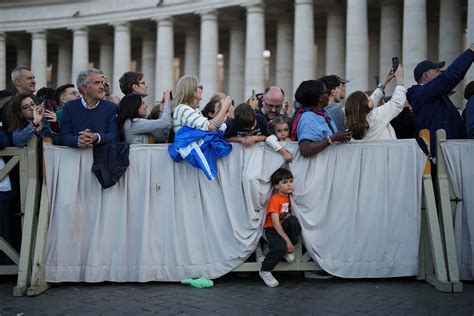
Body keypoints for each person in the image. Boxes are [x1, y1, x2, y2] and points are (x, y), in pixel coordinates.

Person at [407, 43, 474, 158]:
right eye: (437, 71)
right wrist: (470, 53)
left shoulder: (435, 94)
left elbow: (451, 78)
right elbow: (449, 77)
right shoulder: (417, 92)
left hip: (453, 153)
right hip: (440, 157)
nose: (441, 73)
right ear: (425, 76)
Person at [259, 168, 301, 287]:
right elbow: (276, 223)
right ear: (276, 186)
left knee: (293, 221)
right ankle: (265, 270)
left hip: (283, 226)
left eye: (291, 181)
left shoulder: (291, 198)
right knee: (279, 248)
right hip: (272, 228)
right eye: (284, 182)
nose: (289, 184)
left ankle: (288, 248)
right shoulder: (275, 199)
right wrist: (287, 241)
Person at [60, 68, 119, 148]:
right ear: (84, 88)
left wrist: (96, 137)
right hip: (77, 158)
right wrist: (79, 140)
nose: (102, 87)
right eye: (97, 83)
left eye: (102, 83)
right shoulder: (69, 107)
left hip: (104, 158)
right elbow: (64, 136)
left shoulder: (111, 107)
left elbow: (114, 136)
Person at [345, 65, 406, 140]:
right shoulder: (377, 116)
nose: (370, 97)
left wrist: (385, 82)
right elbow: (397, 102)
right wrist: (400, 81)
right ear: (365, 104)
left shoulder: (353, 126)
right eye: (367, 96)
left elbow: (374, 98)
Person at [293, 80, 352, 157]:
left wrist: (341, 137)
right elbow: (305, 149)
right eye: (327, 92)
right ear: (320, 97)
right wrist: (333, 138)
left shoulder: (323, 112)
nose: (329, 94)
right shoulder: (308, 117)